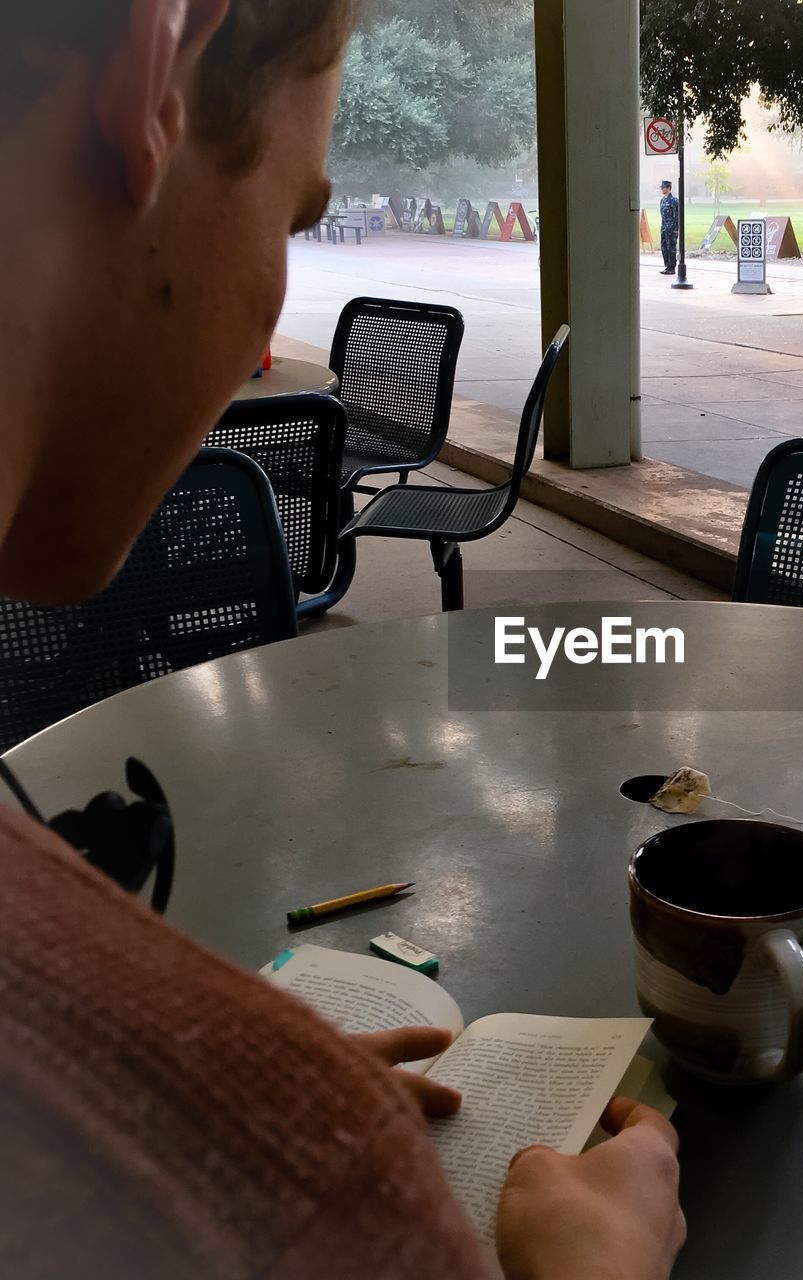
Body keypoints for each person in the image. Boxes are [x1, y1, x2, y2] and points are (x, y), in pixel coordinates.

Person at [0, 4, 685, 1278]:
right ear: (155, 74)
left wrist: (217, 1068)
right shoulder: (310, 1197)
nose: (273, 283)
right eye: (292, 216)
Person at [658, 179, 678, 275]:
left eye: (663, 187)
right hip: (664, 228)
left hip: (672, 229)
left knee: (671, 248)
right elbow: (662, 215)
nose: (662, 189)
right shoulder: (662, 201)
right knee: (664, 247)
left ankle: (672, 267)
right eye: (661, 188)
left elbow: (676, 216)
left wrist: (676, 229)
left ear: (669, 188)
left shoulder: (673, 201)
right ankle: (667, 266)